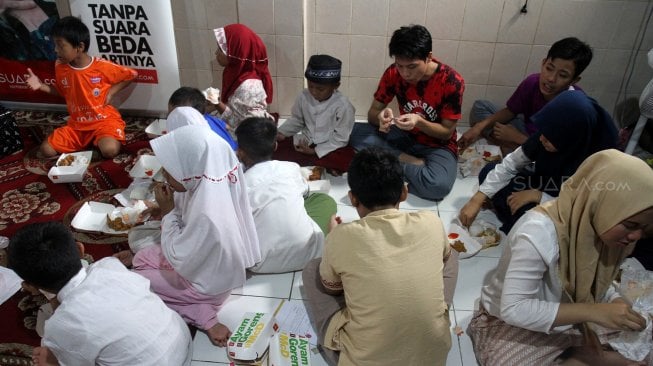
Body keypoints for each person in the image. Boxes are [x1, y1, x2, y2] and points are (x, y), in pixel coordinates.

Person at [468, 149, 653, 365]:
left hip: (575, 313)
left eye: (644, 229)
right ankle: (582, 357)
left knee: (643, 338)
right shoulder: (538, 232)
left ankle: (579, 355)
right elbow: (515, 309)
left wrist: (614, 299)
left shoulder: (606, 232)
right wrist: (593, 312)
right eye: (631, 226)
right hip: (514, 321)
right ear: (598, 204)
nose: (636, 236)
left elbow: (594, 278)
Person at [302, 147, 459, 366]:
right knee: (451, 257)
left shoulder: (341, 236)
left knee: (312, 270)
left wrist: (333, 239)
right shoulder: (431, 222)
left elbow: (332, 288)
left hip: (362, 360)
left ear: (352, 198)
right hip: (432, 357)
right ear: (404, 193)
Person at [124, 125, 260, 347]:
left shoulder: (208, 213)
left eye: (169, 170)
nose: (165, 175)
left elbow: (180, 256)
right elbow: (187, 228)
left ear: (189, 169)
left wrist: (167, 211)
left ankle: (204, 316)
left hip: (207, 287)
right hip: (207, 263)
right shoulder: (208, 181)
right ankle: (141, 262)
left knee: (137, 280)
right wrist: (164, 210)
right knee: (142, 255)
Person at [7, 221, 192, 366]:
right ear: (80, 249)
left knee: (47, 356)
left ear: (29, 285)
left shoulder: (58, 326)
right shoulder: (109, 266)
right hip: (184, 344)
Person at [459, 90, 618, 234]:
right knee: (489, 171)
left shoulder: (599, 161)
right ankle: (511, 214)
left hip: (564, 208)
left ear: (573, 139)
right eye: (543, 133)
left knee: (534, 220)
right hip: (542, 183)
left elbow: (583, 209)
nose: (542, 139)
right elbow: (512, 163)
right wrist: (477, 198)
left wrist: (539, 196)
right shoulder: (548, 134)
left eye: (550, 138)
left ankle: (516, 219)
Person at [349, 24, 464, 201]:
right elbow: (372, 113)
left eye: (412, 66)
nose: (405, 73)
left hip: (437, 146)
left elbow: (446, 132)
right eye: (399, 65)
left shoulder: (451, 81)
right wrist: (380, 118)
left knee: (438, 186)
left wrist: (419, 121)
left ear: (429, 57)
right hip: (405, 137)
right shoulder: (393, 73)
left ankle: (388, 166)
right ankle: (410, 162)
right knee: (350, 132)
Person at [24, 16, 137, 159]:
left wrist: (110, 93)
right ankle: (90, 148)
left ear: (80, 47)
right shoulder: (60, 66)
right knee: (46, 150)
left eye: (60, 45)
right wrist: (41, 86)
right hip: (77, 126)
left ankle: (97, 144)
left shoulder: (101, 66)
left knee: (110, 150)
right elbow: (63, 92)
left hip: (103, 121)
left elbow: (132, 74)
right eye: (55, 45)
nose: (56, 50)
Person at [235, 117, 337, 273]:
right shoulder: (290, 168)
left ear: (240, 152)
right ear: (275, 146)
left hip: (259, 263)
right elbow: (303, 192)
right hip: (309, 254)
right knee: (324, 200)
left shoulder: (239, 182)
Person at [458, 37, 593, 153]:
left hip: (545, 146)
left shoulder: (575, 105)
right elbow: (511, 111)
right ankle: (510, 145)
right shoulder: (533, 82)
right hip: (524, 127)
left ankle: (511, 146)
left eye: (562, 75)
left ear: (574, 80)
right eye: (549, 68)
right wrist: (478, 127)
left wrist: (516, 137)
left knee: (538, 164)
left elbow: (560, 151)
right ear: (543, 63)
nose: (551, 78)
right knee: (480, 107)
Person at [274, 54, 356, 174]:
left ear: (335, 86)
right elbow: (297, 120)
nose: (314, 92)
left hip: (330, 146)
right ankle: (317, 164)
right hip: (306, 140)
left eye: (320, 89)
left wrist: (315, 151)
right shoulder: (303, 96)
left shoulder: (343, 106)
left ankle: (314, 161)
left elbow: (341, 138)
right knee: (275, 149)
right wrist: (282, 132)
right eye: (310, 86)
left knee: (348, 160)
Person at [212, 23, 274, 129]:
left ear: (235, 52)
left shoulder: (248, 87)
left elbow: (241, 126)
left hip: (245, 139)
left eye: (220, 50)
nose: (215, 53)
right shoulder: (235, 72)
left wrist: (217, 104)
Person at [167, 86, 237, 150]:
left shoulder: (197, 135)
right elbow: (227, 127)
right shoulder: (208, 118)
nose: (168, 118)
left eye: (172, 115)